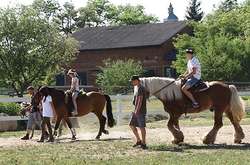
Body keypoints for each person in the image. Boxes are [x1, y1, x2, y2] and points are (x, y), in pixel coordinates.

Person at [129, 75, 148, 150]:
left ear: (137, 80)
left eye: (133, 81)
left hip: (140, 111)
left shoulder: (141, 88)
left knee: (141, 127)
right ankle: (139, 140)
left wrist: (136, 111)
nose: (132, 82)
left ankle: (144, 143)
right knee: (131, 125)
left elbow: (140, 100)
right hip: (136, 110)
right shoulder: (137, 87)